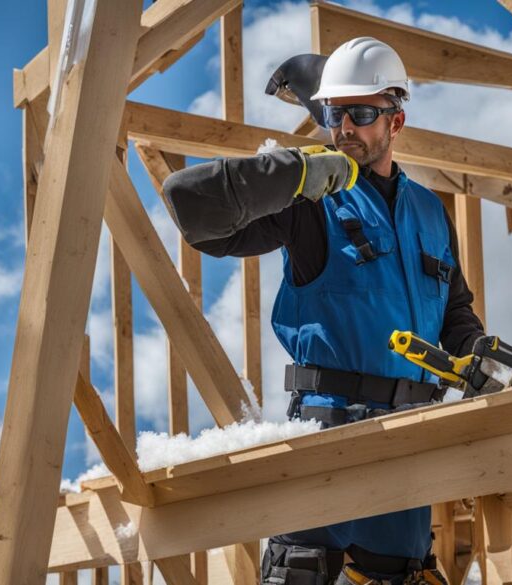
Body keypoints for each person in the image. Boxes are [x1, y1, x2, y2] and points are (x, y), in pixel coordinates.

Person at [163, 37, 485, 585]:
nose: (345, 128)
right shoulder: (311, 202)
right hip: (323, 446)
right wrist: (289, 175)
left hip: (405, 458)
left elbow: (454, 313)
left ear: (396, 121)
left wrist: (478, 354)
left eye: (362, 114)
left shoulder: (431, 214)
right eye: (336, 114)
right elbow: (189, 206)